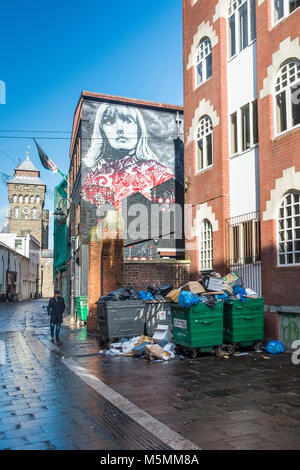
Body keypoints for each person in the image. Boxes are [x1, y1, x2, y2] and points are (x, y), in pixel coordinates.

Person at [82, 103, 174, 210]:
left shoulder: (157, 173)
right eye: (110, 122)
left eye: (127, 121)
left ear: (139, 129)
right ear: (101, 130)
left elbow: (169, 216)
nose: (120, 129)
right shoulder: (94, 177)